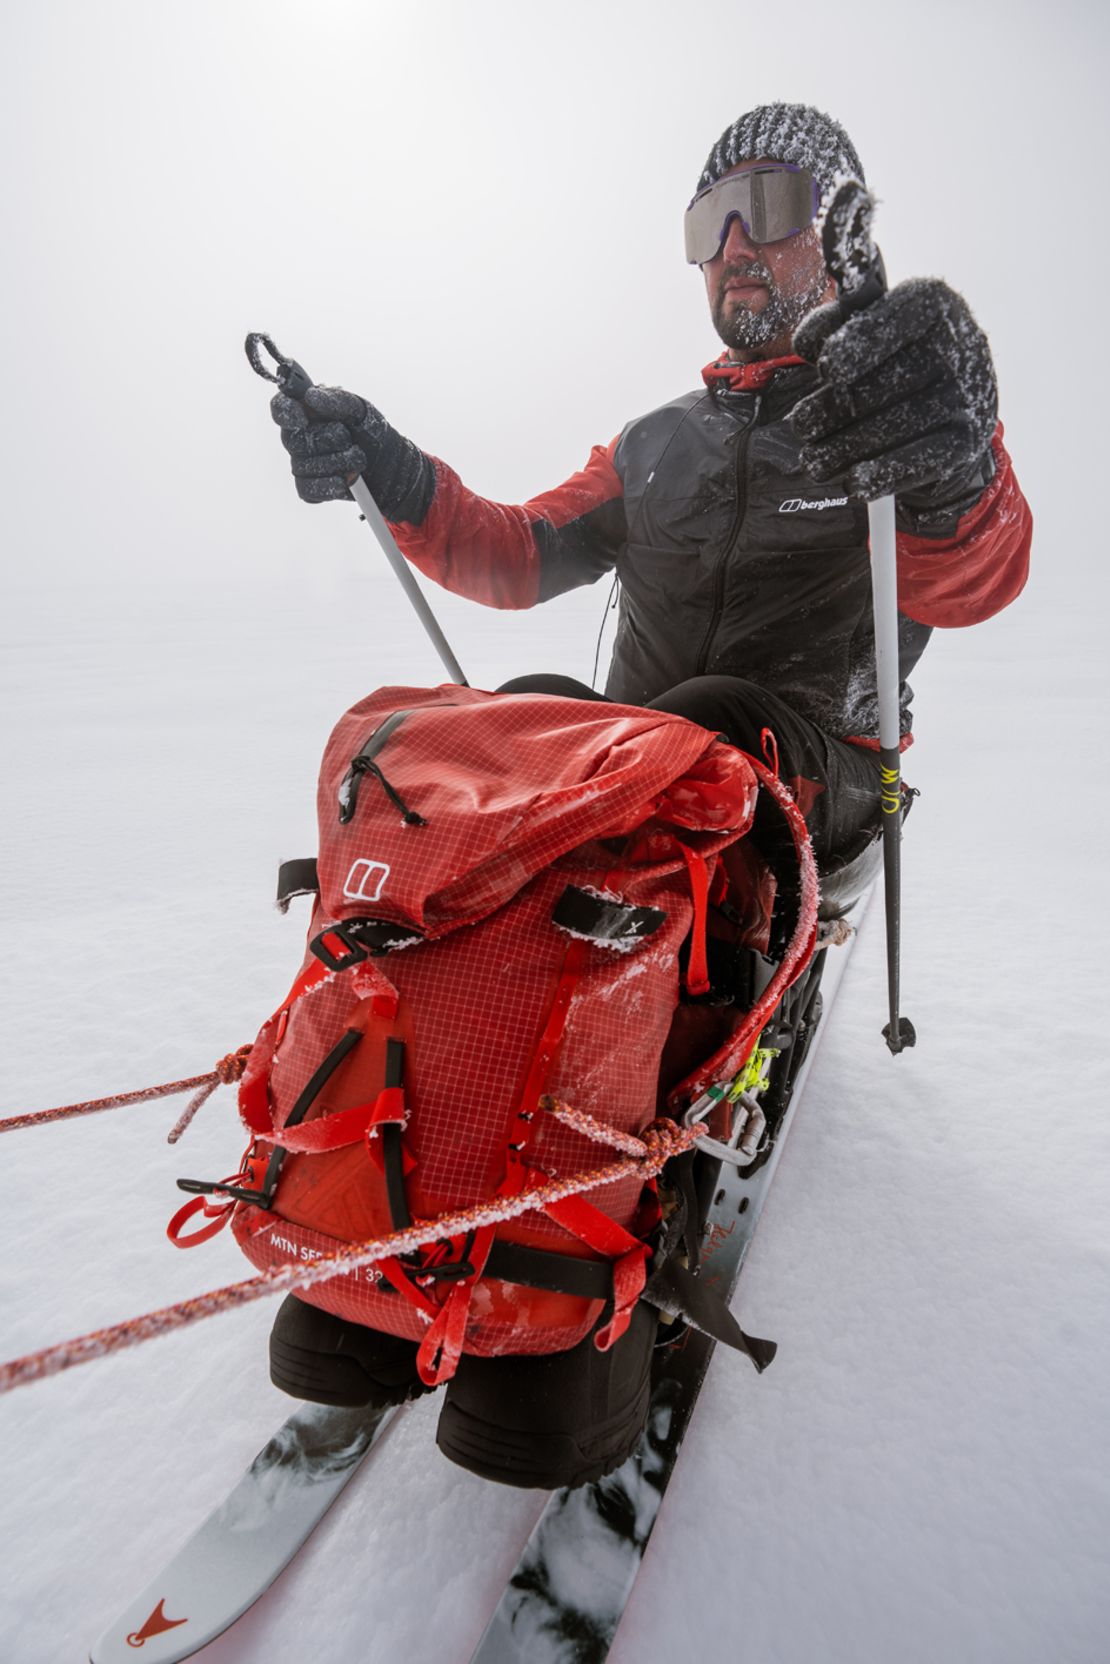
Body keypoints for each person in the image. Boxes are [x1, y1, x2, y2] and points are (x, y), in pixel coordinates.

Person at [264, 104, 1032, 1486]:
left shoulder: (890, 422)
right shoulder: (657, 441)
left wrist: (953, 461)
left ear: (843, 230)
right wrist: (388, 466)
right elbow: (511, 557)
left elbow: (977, 575)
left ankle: (594, 1243)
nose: (734, 247)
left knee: (703, 733)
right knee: (532, 716)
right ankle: (409, 1168)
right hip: (636, 777)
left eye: (769, 205)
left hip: (812, 765)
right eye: (705, 225)